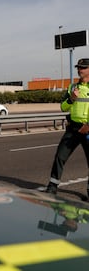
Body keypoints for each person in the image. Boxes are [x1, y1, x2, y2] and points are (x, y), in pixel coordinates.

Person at [44, 58, 89, 199]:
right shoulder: (72, 87)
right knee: (60, 157)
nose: (79, 70)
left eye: (82, 67)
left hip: (88, 129)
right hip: (73, 129)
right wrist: (71, 99)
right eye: (78, 68)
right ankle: (52, 187)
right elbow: (63, 107)